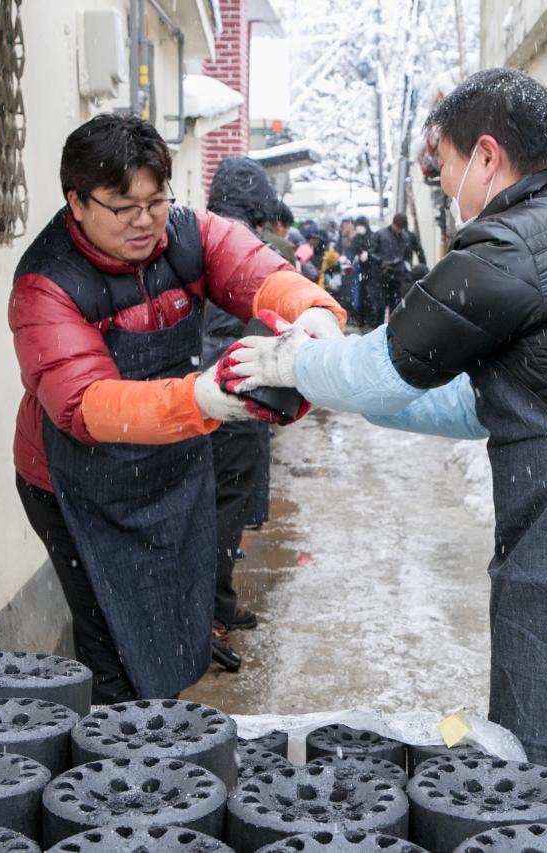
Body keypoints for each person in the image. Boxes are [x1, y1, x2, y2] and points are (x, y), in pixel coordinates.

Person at [227, 69, 547, 853]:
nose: (446, 189)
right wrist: (340, 390)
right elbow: (479, 402)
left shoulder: (513, 242)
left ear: (487, 158)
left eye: (447, 165)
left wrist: (297, 363)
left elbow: (389, 362)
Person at [9, 116, 345, 703]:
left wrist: (310, 311)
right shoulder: (46, 285)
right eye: (123, 205)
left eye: (155, 199)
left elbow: (254, 269)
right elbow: (85, 404)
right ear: (77, 202)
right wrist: (199, 397)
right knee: (113, 640)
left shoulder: (185, 235)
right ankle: (120, 770)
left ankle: (159, 732)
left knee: (174, 619)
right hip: (75, 487)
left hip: (167, 463)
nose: (144, 220)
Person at [201, 157, 316, 671]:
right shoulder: (247, 251)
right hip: (234, 394)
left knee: (212, 505)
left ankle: (217, 606)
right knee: (223, 508)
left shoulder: (199, 240)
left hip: (197, 392)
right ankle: (207, 618)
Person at [370, 213, 426, 320]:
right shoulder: (380, 235)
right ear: (393, 224)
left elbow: (408, 254)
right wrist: (380, 261)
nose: (399, 231)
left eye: (401, 229)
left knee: (395, 305)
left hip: (398, 275)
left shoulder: (405, 237)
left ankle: (392, 329)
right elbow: (371, 253)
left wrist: (408, 266)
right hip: (381, 275)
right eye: (398, 228)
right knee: (380, 306)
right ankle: (378, 327)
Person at [348, 216, 375, 328]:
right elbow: (352, 251)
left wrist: (368, 254)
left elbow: (375, 249)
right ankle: (361, 320)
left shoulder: (373, 236)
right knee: (360, 295)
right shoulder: (357, 238)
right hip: (359, 270)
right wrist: (351, 258)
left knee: (369, 296)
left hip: (371, 271)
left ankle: (369, 320)